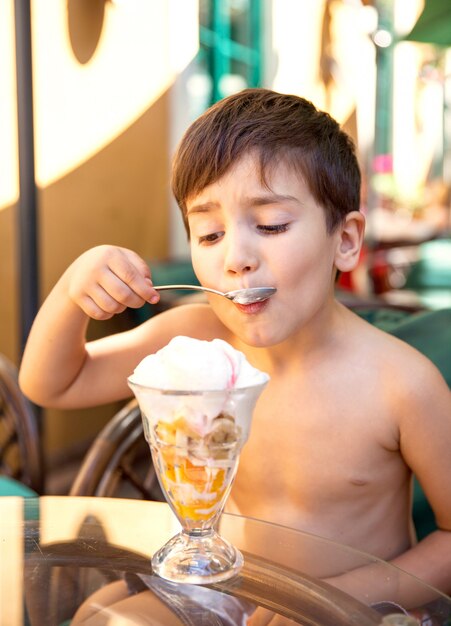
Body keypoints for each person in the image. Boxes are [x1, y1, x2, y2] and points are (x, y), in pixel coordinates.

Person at [19, 89, 451, 621]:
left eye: (270, 225)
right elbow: (52, 384)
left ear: (345, 239)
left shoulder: (400, 383)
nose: (236, 258)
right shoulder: (198, 337)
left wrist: (338, 596)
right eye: (210, 232)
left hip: (361, 604)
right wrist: (71, 291)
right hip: (229, 585)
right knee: (102, 616)